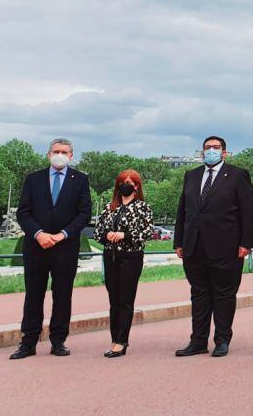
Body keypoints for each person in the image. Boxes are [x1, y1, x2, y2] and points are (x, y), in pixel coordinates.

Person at [173, 136, 253, 358]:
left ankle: (222, 339)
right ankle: (198, 341)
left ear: (225, 152)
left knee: (224, 295)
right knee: (198, 295)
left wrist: (246, 243)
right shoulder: (192, 176)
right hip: (194, 246)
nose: (211, 151)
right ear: (202, 152)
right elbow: (183, 210)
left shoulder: (238, 175)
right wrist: (178, 241)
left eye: (216, 148)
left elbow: (248, 211)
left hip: (226, 247)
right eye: (207, 148)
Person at [11, 138, 92, 360]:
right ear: (48, 154)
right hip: (37, 245)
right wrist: (39, 234)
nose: (60, 155)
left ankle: (58, 341)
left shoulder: (81, 180)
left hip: (65, 246)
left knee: (63, 295)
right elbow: (23, 212)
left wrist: (62, 234)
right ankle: (28, 342)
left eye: (64, 152)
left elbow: (84, 213)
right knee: (34, 295)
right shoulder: (33, 179)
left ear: (71, 156)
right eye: (56, 151)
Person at [92, 169, 153, 358]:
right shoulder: (110, 207)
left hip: (131, 257)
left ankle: (122, 341)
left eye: (131, 182)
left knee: (125, 299)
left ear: (136, 186)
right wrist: (106, 235)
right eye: (123, 181)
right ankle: (114, 338)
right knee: (114, 300)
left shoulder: (143, 207)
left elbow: (149, 232)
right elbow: (97, 232)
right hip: (110, 256)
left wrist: (125, 235)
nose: (126, 184)